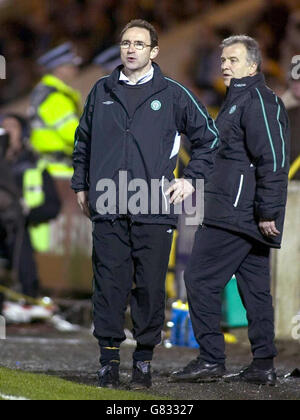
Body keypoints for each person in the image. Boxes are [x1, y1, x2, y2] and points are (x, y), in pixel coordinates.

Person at [72, 19, 219, 390]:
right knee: (108, 284)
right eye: (125, 43)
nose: (131, 49)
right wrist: (80, 185)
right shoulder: (101, 90)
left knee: (150, 287)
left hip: (154, 206)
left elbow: (210, 139)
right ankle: (108, 361)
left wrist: (190, 179)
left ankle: (143, 361)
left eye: (139, 43)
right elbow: (83, 142)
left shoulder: (173, 93)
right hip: (108, 203)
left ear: (154, 51)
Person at [170, 35, 290, 386]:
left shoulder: (258, 100)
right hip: (239, 211)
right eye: (223, 59)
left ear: (253, 65)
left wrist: (268, 211)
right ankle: (263, 364)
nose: (225, 65)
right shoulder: (238, 100)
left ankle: (211, 360)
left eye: (233, 60)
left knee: (199, 279)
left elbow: (274, 158)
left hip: (237, 214)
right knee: (254, 289)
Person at [0, 114, 61, 299]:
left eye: (13, 127)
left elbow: (53, 205)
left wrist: (27, 212)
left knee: (18, 231)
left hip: (24, 232)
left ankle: (27, 294)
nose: (8, 131)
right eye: (4, 126)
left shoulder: (36, 166)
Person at [29, 42, 82, 178]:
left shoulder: (45, 91)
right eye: (70, 65)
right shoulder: (54, 96)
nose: (75, 68)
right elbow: (72, 133)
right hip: (63, 170)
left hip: (56, 167)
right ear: (59, 69)